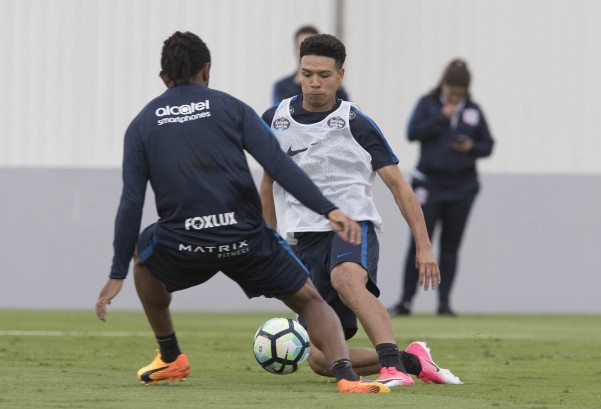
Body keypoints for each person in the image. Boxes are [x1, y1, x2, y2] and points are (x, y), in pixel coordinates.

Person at [95, 31, 391, 394]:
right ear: (207, 70)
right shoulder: (231, 108)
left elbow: (131, 201)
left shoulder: (142, 124)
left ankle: (171, 356)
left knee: (144, 259)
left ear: (163, 78)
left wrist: (116, 272)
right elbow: (279, 166)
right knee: (311, 300)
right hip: (247, 238)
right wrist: (328, 209)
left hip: (185, 241)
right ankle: (347, 377)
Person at [260, 34, 461, 387]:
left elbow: (400, 187)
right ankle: (413, 361)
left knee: (346, 279)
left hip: (352, 227)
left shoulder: (356, 123)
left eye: (324, 74)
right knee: (321, 358)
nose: (314, 82)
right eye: (307, 73)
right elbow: (268, 184)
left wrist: (424, 246)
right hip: (304, 241)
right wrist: (268, 239)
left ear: (340, 75)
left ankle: (391, 368)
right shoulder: (273, 120)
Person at [388, 59, 495, 317]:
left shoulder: (474, 110)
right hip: (429, 186)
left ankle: (444, 302)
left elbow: (488, 145)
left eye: (460, 93)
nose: (455, 97)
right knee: (419, 243)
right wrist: (440, 117)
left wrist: (471, 147)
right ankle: (406, 301)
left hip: (462, 188)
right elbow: (412, 132)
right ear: (444, 84)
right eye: (452, 91)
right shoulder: (428, 104)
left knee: (450, 246)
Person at [271, 25, 349, 104]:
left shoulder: (336, 87)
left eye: (324, 75)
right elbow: (278, 112)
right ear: (295, 49)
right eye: (302, 47)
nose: (315, 83)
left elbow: (345, 111)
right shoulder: (282, 86)